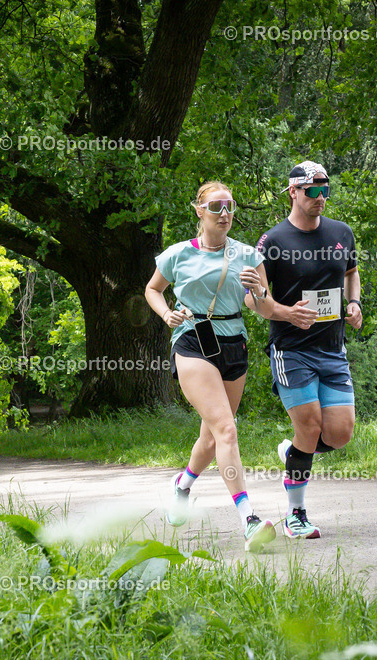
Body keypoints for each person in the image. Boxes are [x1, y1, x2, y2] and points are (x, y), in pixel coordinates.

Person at [145, 181, 279, 552]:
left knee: (211, 438)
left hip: (233, 343)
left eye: (230, 206)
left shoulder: (250, 255)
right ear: (199, 211)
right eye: (216, 206)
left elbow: (264, 308)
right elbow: (152, 289)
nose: (225, 214)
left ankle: (182, 486)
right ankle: (249, 519)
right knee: (227, 429)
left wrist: (259, 291)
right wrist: (166, 313)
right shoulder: (177, 254)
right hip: (191, 339)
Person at [255, 161, 363, 539]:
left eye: (325, 190)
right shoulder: (272, 242)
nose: (320, 198)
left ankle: (295, 454)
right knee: (310, 425)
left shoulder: (341, 232)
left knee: (340, 433)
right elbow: (256, 300)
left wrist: (354, 304)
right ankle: (295, 514)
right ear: (293, 192)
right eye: (312, 190)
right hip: (291, 350)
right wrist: (286, 313)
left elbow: (351, 272)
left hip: (332, 349)